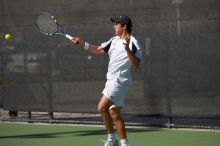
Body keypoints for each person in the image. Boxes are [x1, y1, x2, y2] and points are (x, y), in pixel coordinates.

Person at [70, 16, 142, 146]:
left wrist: (127, 50)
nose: (114, 27)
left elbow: (136, 65)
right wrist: (82, 43)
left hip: (119, 80)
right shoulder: (113, 40)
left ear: (124, 26)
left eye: (116, 24)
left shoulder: (133, 43)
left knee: (102, 107)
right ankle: (124, 143)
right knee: (114, 113)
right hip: (111, 80)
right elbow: (98, 49)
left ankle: (111, 140)